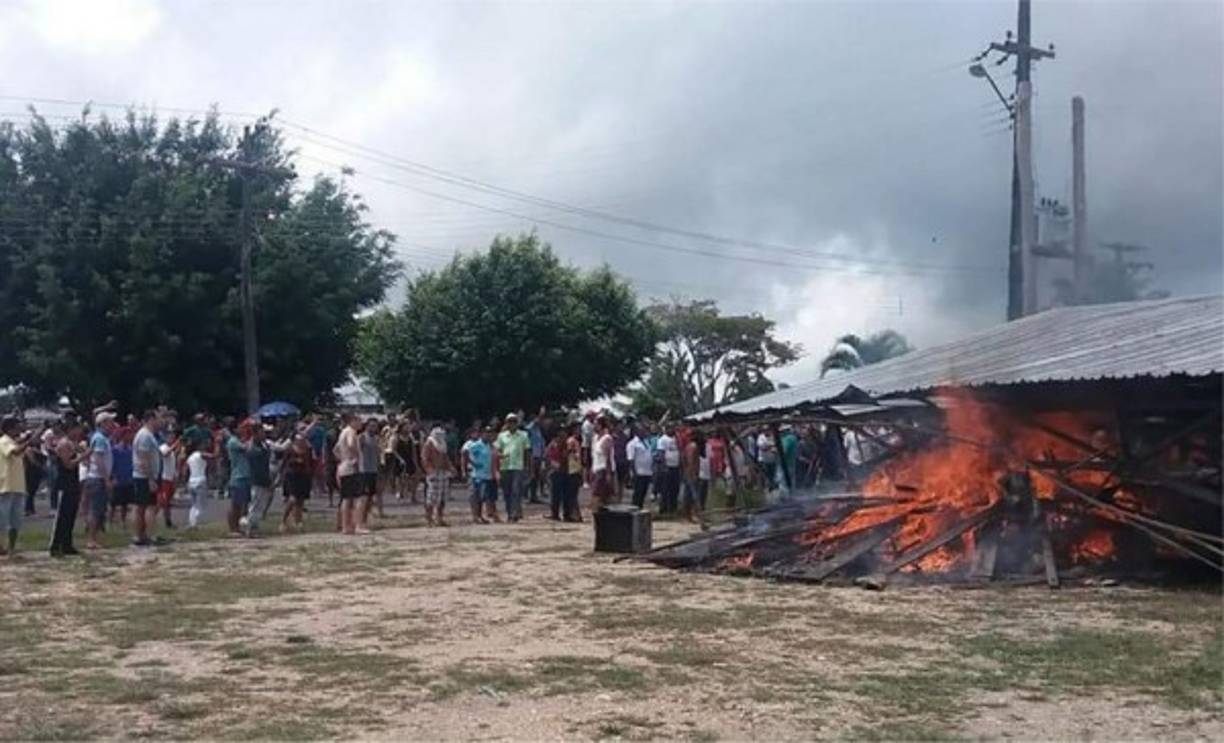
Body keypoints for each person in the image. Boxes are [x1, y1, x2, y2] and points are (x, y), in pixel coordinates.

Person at [48, 422, 85, 556]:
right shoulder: (63, 443)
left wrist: (79, 450)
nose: (79, 432)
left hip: (73, 483)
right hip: (64, 484)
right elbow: (68, 464)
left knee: (70, 515)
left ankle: (67, 544)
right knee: (62, 517)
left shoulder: (72, 443)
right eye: (77, 428)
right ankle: (55, 545)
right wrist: (82, 457)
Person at [0, 417, 33, 558]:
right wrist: (30, 440)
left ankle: (11, 548)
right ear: (9, 429)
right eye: (16, 427)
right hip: (6, 485)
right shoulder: (4, 441)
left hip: (18, 485)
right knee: (2, 519)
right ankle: (2, 546)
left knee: (16, 520)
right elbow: (16, 452)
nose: (19, 430)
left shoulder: (13, 441)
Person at [84, 413, 117, 549]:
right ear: (103, 423)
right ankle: (91, 539)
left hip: (99, 478)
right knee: (95, 510)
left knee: (100, 510)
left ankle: (96, 538)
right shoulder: (100, 439)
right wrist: (106, 478)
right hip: (97, 479)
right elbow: (98, 459)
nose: (112, 425)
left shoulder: (102, 438)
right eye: (110, 422)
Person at [131, 410, 162, 546]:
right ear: (151, 419)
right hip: (144, 476)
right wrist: (150, 478)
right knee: (148, 506)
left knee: (143, 506)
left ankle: (141, 535)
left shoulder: (149, 435)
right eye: (158, 418)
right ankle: (149, 535)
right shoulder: (144, 435)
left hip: (144, 475)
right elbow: (143, 457)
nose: (160, 422)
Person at [495, 413, 530, 522]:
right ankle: (510, 512)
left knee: (516, 491)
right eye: (510, 421)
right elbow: (497, 450)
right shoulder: (502, 436)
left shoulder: (523, 435)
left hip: (518, 466)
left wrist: (527, 466)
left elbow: (527, 451)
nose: (512, 424)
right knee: (507, 492)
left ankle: (514, 513)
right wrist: (500, 457)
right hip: (505, 466)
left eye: (514, 421)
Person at [334, 413, 363, 535]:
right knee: (355, 498)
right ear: (352, 421)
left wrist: (342, 459)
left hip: (343, 466)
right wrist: (355, 459)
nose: (360, 424)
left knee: (346, 498)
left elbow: (335, 450)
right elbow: (351, 445)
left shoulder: (343, 432)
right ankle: (356, 525)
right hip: (351, 467)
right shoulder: (351, 432)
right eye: (359, 421)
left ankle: (345, 526)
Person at [225, 419, 254, 538]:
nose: (242, 430)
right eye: (240, 428)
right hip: (238, 476)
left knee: (244, 504)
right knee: (235, 504)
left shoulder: (239, 440)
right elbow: (248, 448)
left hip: (246, 475)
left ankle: (238, 527)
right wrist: (252, 435)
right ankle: (232, 528)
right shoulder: (233, 441)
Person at [243, 424, 273, 537]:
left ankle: (255, 527)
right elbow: (257, 464)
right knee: (255, 505)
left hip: (264, 478)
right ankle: (250, 529)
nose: (264, 435)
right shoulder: (252, 448)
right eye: (262, 432)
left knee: (260, 506)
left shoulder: (263, 445)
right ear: (255, 433)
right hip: (256, 480)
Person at [281, 431, 314, 532]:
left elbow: (310, 462)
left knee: (301, 501)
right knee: (292, 499)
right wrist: (294, 461)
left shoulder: (307, 450)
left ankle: (298, 522)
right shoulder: (290, 450)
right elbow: (284, 463)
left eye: (303, 440)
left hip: (303, 476)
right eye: (299, 440)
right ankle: (283, 520)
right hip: (292, 475)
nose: (301, 442)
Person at [462, 428, 496, 524]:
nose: (488, 435)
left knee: (482, 497)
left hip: (487, 475)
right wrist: (473, 463)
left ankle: (479, 515)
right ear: (482, 434)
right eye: (486, 433)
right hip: (477, 475)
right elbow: (465, 453)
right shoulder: (476, 445)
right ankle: (475, 516)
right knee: (475, 496)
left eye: (490, 433)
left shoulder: (490, 446)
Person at [421, 425, 451, 527]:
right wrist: (430, 471)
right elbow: (425, 459)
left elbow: (446, 457)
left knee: (442, 497)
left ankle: (439, 518)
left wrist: (450, 468)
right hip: (434, 473)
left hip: (443, 472)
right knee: (432, 497)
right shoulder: (429, 444)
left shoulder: (443, 444)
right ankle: (429, 519)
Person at [358, 418, 383, 522]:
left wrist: (379, 466)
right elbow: (357, 452)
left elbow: (378, 454)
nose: (374, 428)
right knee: (364, 496)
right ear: (366, 426)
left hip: (374, 470)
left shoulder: (376, 439)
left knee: (371, 496)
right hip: (363, 470)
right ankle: (360, 519)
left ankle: (365, 518)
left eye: (375, 426)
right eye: (371, 426)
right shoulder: (362, 437)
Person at [155, 429, 181, 529]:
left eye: (173, 437)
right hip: (164, 477)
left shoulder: (172, 450)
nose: (172, 439)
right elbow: (165, 454)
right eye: (170, 437)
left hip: (171, 477)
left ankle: (168, 521)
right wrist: (175, 445)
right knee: (162, 501)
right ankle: (154, 517)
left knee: (168, 502)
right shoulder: (163, 447)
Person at [590, 416, 616, 512]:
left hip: (604, 469)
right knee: (602, 495)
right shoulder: (595, 438)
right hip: (597, 469)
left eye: (596, 424)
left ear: (600, 426)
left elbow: (608, 457)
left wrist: (609, 474)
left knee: (598, 495)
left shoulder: (606, 438)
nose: (594, 426)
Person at [626, 425, 654, 510]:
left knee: (643, 493)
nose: (645, 433)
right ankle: (634, 510)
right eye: (642, 431)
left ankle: (640, 509)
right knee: (637, 493)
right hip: (639, 472)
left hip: (647, 472)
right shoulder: (632, 444)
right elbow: (631, 460)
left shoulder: (646, 442)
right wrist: (634, 473)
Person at [657, 425, 681, 516]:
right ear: (666, 429)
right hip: (667, 467)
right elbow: (661, 453)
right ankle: (663, 508)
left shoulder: (677, 438)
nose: (672, 430)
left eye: (673, 428)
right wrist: (664, 466)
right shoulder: (662, 439)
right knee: (665, 489)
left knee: (675, 488)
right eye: (670, 428)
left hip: (676, 466)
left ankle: (673, 508)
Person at [185, 442, 209, 529]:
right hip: (200, 480)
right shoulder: (200, 455)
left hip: (191, 481)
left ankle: (192, 523)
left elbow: (186, 470)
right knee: (200, 505)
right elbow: (214, 456)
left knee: (193, 505)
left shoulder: (190, 458)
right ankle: (196, 522)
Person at [545, 429, 567, 521]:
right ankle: (555, 514)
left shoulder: (565, 445)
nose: (563, 438)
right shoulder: (553, 446)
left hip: (563, 471)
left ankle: (561, 514)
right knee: (554, 494)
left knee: (561, 495)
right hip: (555, 472)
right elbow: (548, 457)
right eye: (561, 436)